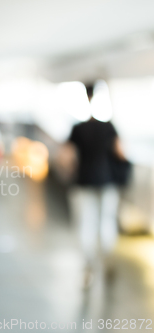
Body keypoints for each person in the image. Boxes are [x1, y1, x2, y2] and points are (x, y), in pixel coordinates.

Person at [65, 83, 126, 287]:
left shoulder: (77, 128)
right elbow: (120, 153)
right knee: (106, 221)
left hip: (83, 181)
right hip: (107, 181)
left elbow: (66, 156)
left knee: (86, 224)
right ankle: (108, 260)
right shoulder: (109, 127)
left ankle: (88, 267)